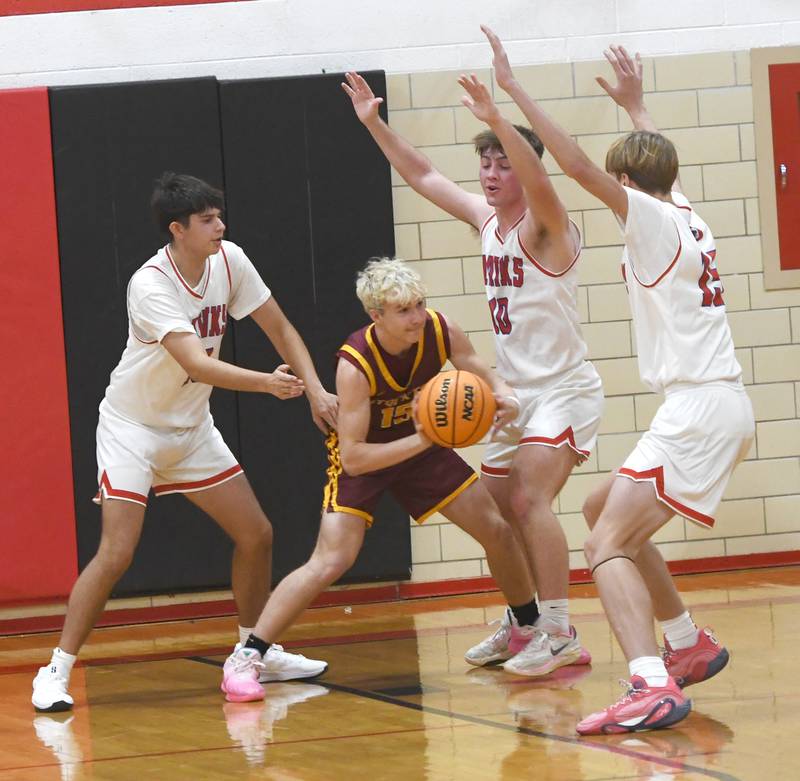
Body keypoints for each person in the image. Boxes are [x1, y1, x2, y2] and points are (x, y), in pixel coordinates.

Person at [476, 27, 755, 734]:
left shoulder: (652, 218)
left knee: (605, 545)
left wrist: (513, 94)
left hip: (697, 410)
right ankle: (688, 642)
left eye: (619, 182)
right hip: (717, 404)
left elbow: (572, 166)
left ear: (629, 185)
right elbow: (653, 159)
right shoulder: (685, 212)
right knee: (604, 510)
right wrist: (636, 109)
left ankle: (649, 682)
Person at [32, 173, 338, 713]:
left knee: (257, 534)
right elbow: (197, 363)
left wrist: (315, 390)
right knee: (117, 552)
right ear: (177, 229)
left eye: (220, 215)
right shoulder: (150, 283)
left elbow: (281, 327)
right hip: (133, 429)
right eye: (207, 220)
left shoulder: (230, 259)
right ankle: (55, 669)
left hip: (191, 429)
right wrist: (268, 383)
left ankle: (252, 650)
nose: (220, 226)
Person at [342, 69, 602, 677]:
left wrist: (498, 119)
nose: (489, 174)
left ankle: (560, 632)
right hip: (512, 395)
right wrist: (375, 123)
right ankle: (524, 626)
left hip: (564, 389)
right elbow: (425, 175)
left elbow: (543, 185)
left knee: (529, 497)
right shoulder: (488, 224)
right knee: (494, 517)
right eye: (484, 164)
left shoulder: (548, 226)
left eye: (501, 163)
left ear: (523, 167)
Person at [219, 257, 545, 702]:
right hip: (369, 453)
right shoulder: (355, 364)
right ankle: (249, 654)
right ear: (377, 316)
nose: (417, 316)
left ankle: (526, 628)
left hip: (421, 446)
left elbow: (475, 368)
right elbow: (354, 458)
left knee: (496, 528)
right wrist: (427, 438)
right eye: (404, 310)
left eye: (419, 304)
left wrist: (501, 395)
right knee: (331, 560)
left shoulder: (439, 328)